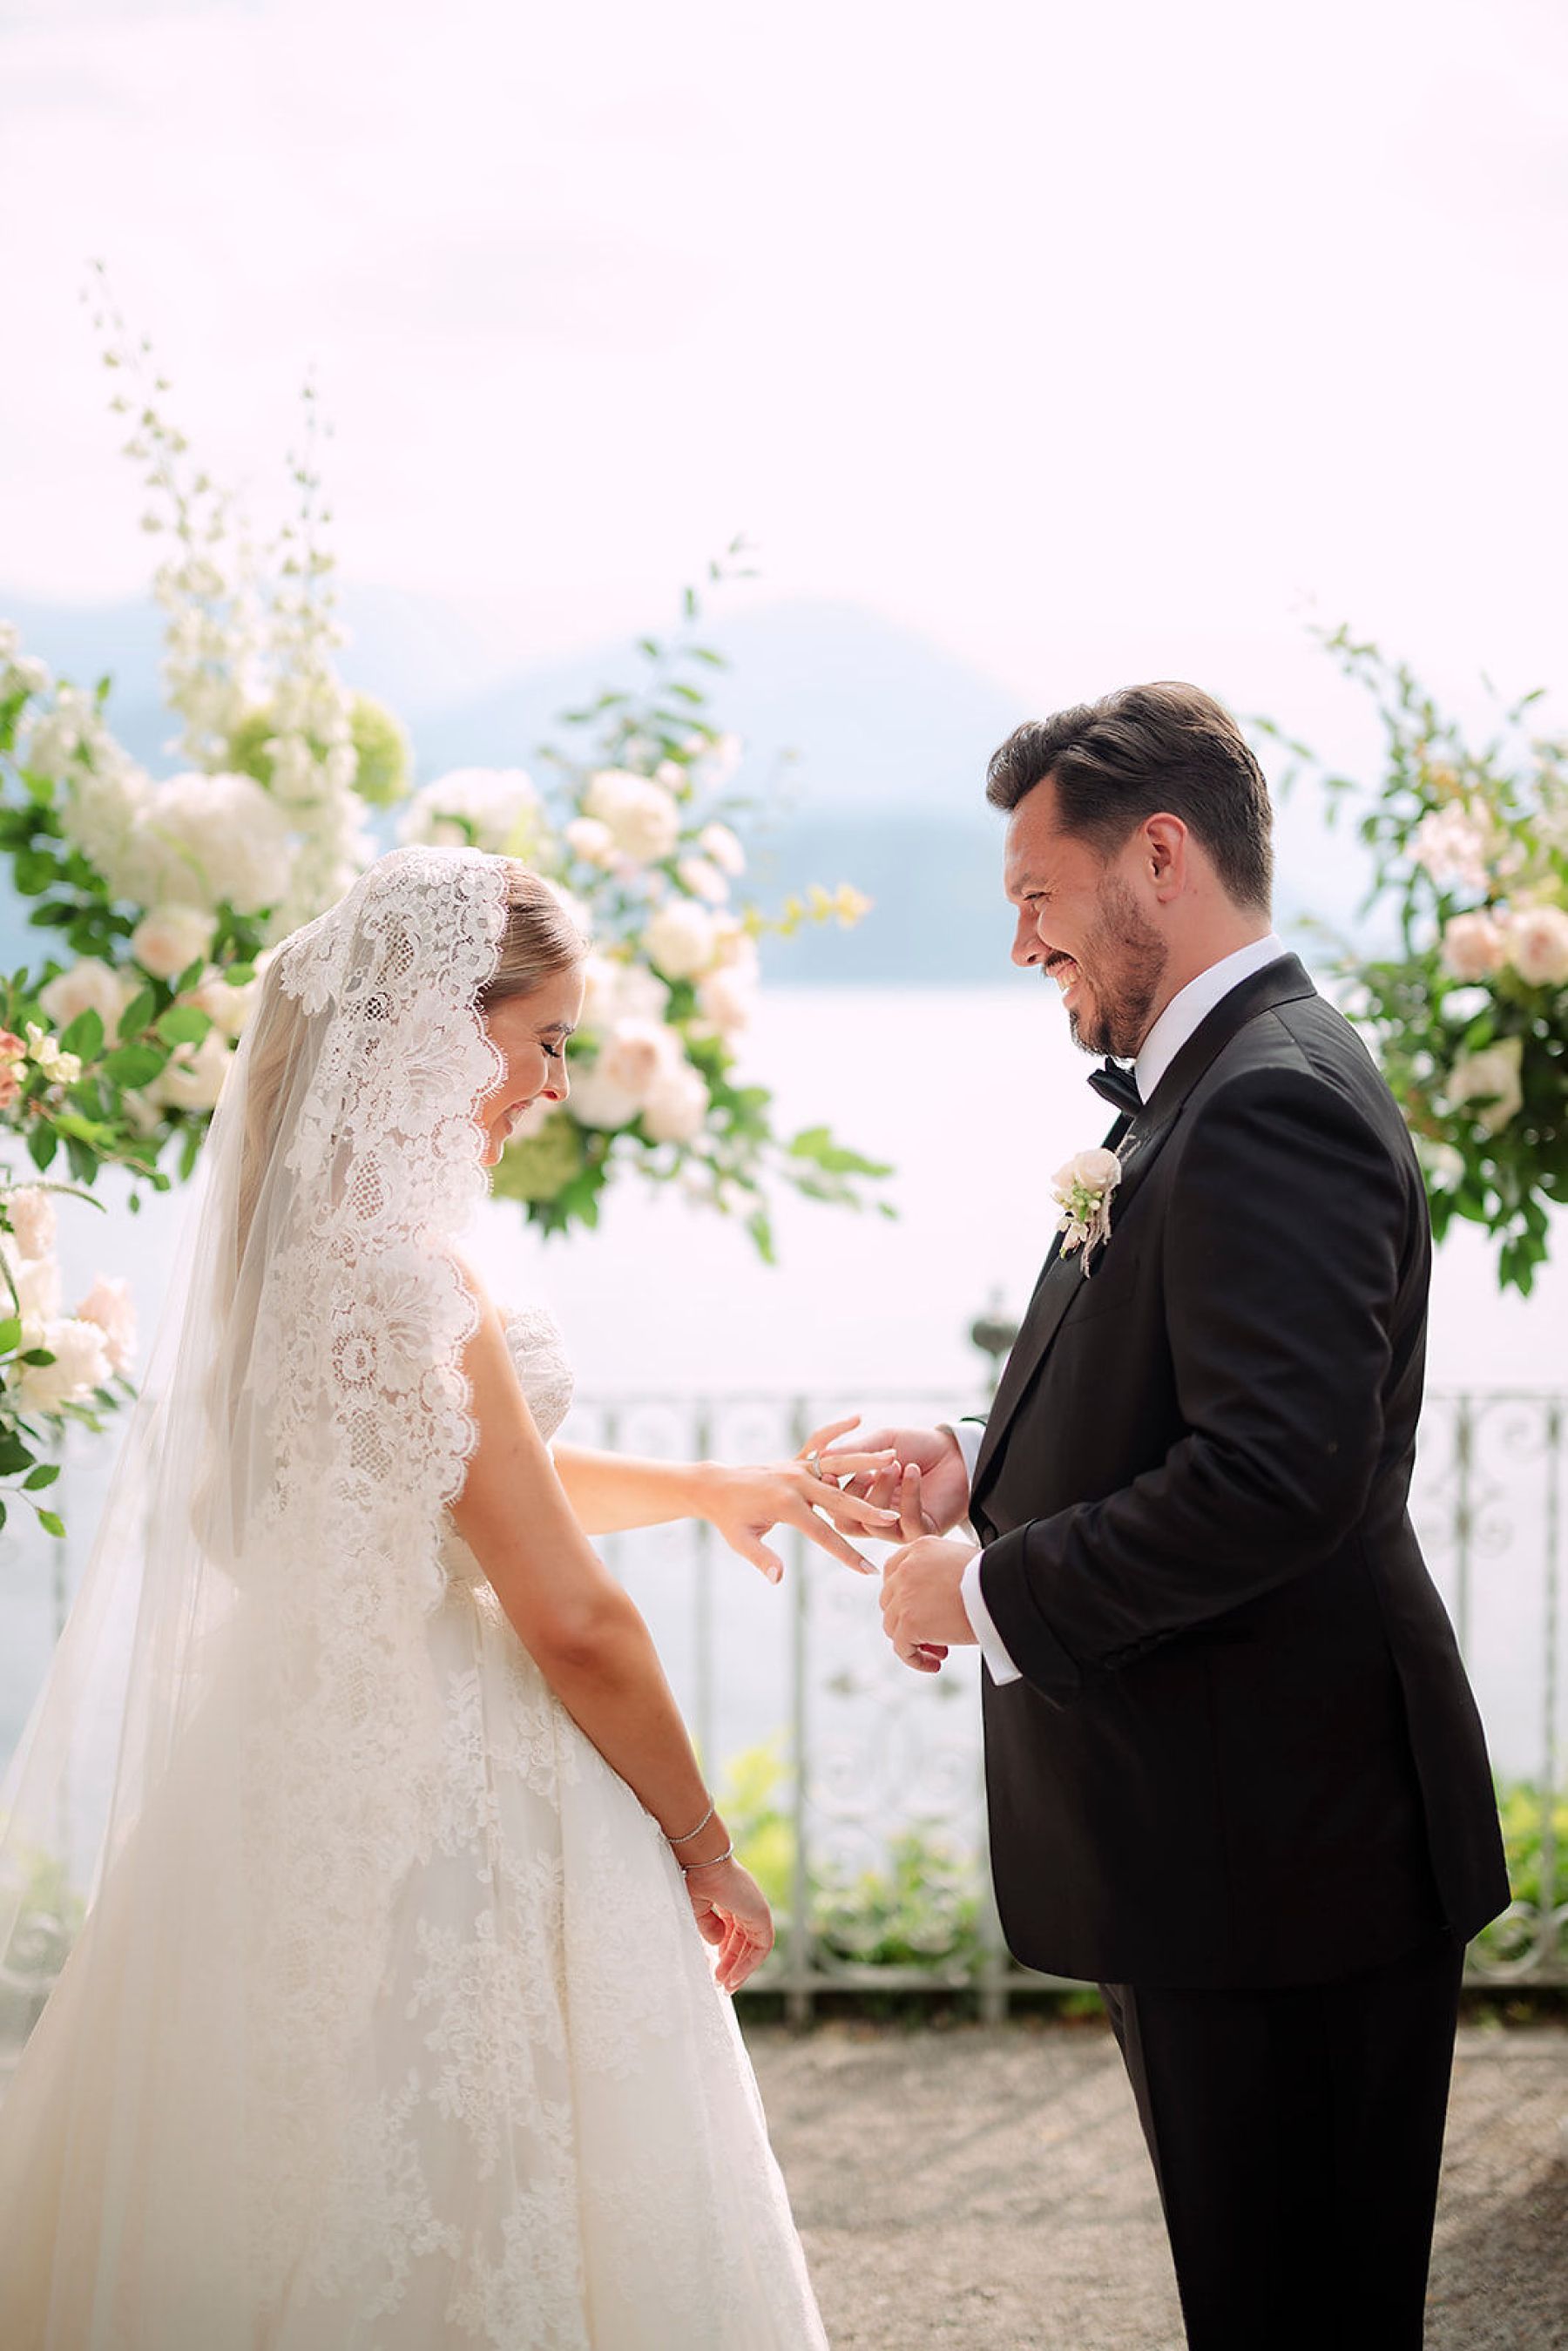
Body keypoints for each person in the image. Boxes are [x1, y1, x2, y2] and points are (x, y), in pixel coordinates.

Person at [0, 844, 882, 2348]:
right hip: (453, 1790)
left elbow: (454, 1485)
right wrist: (707, 1846)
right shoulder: (417, 1282)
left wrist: (703, 1487)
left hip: (280, 1766)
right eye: (546, 1041)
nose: (554, 1085)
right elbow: (575, 1620)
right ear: (441, 1029)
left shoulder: (287, 1264)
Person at [853, 684, 1511, 2351]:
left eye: (1037, 895)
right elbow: (1196, 1402)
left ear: (1158, 857)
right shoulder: (1214, 1081)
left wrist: (981, 1593)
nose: (1022, 943)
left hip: (1285, 1856)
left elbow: (1272, 1479)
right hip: (1236, 1846)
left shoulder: (1269, 1096)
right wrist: (978, 1459)